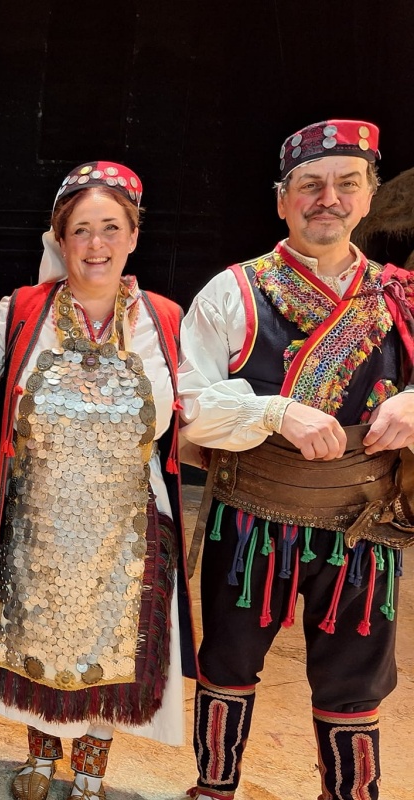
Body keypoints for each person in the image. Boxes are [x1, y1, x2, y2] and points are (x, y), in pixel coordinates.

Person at [179, 120, 412, 800]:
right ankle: (214, 788)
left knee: (354, 678)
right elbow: (190, 404)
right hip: (251, 514)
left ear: (369, 197)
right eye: (310, 185)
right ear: (282, 200)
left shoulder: (402, 298)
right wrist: (275, 412)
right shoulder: (233, 291)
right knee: (228, 661)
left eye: (346, 184)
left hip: (364, 524)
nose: (328, 199)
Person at [0, 163, 190, 800]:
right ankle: (39, 757)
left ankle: (91, 769)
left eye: (111, 227)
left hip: (125, 525)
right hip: (38, 517)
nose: (96, 244)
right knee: (38, 634)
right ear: (60, 240)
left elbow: (197, 408)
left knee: (110, 648)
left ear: (133, 235)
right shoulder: (23, 313)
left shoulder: (166, 322)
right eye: (80, 229)